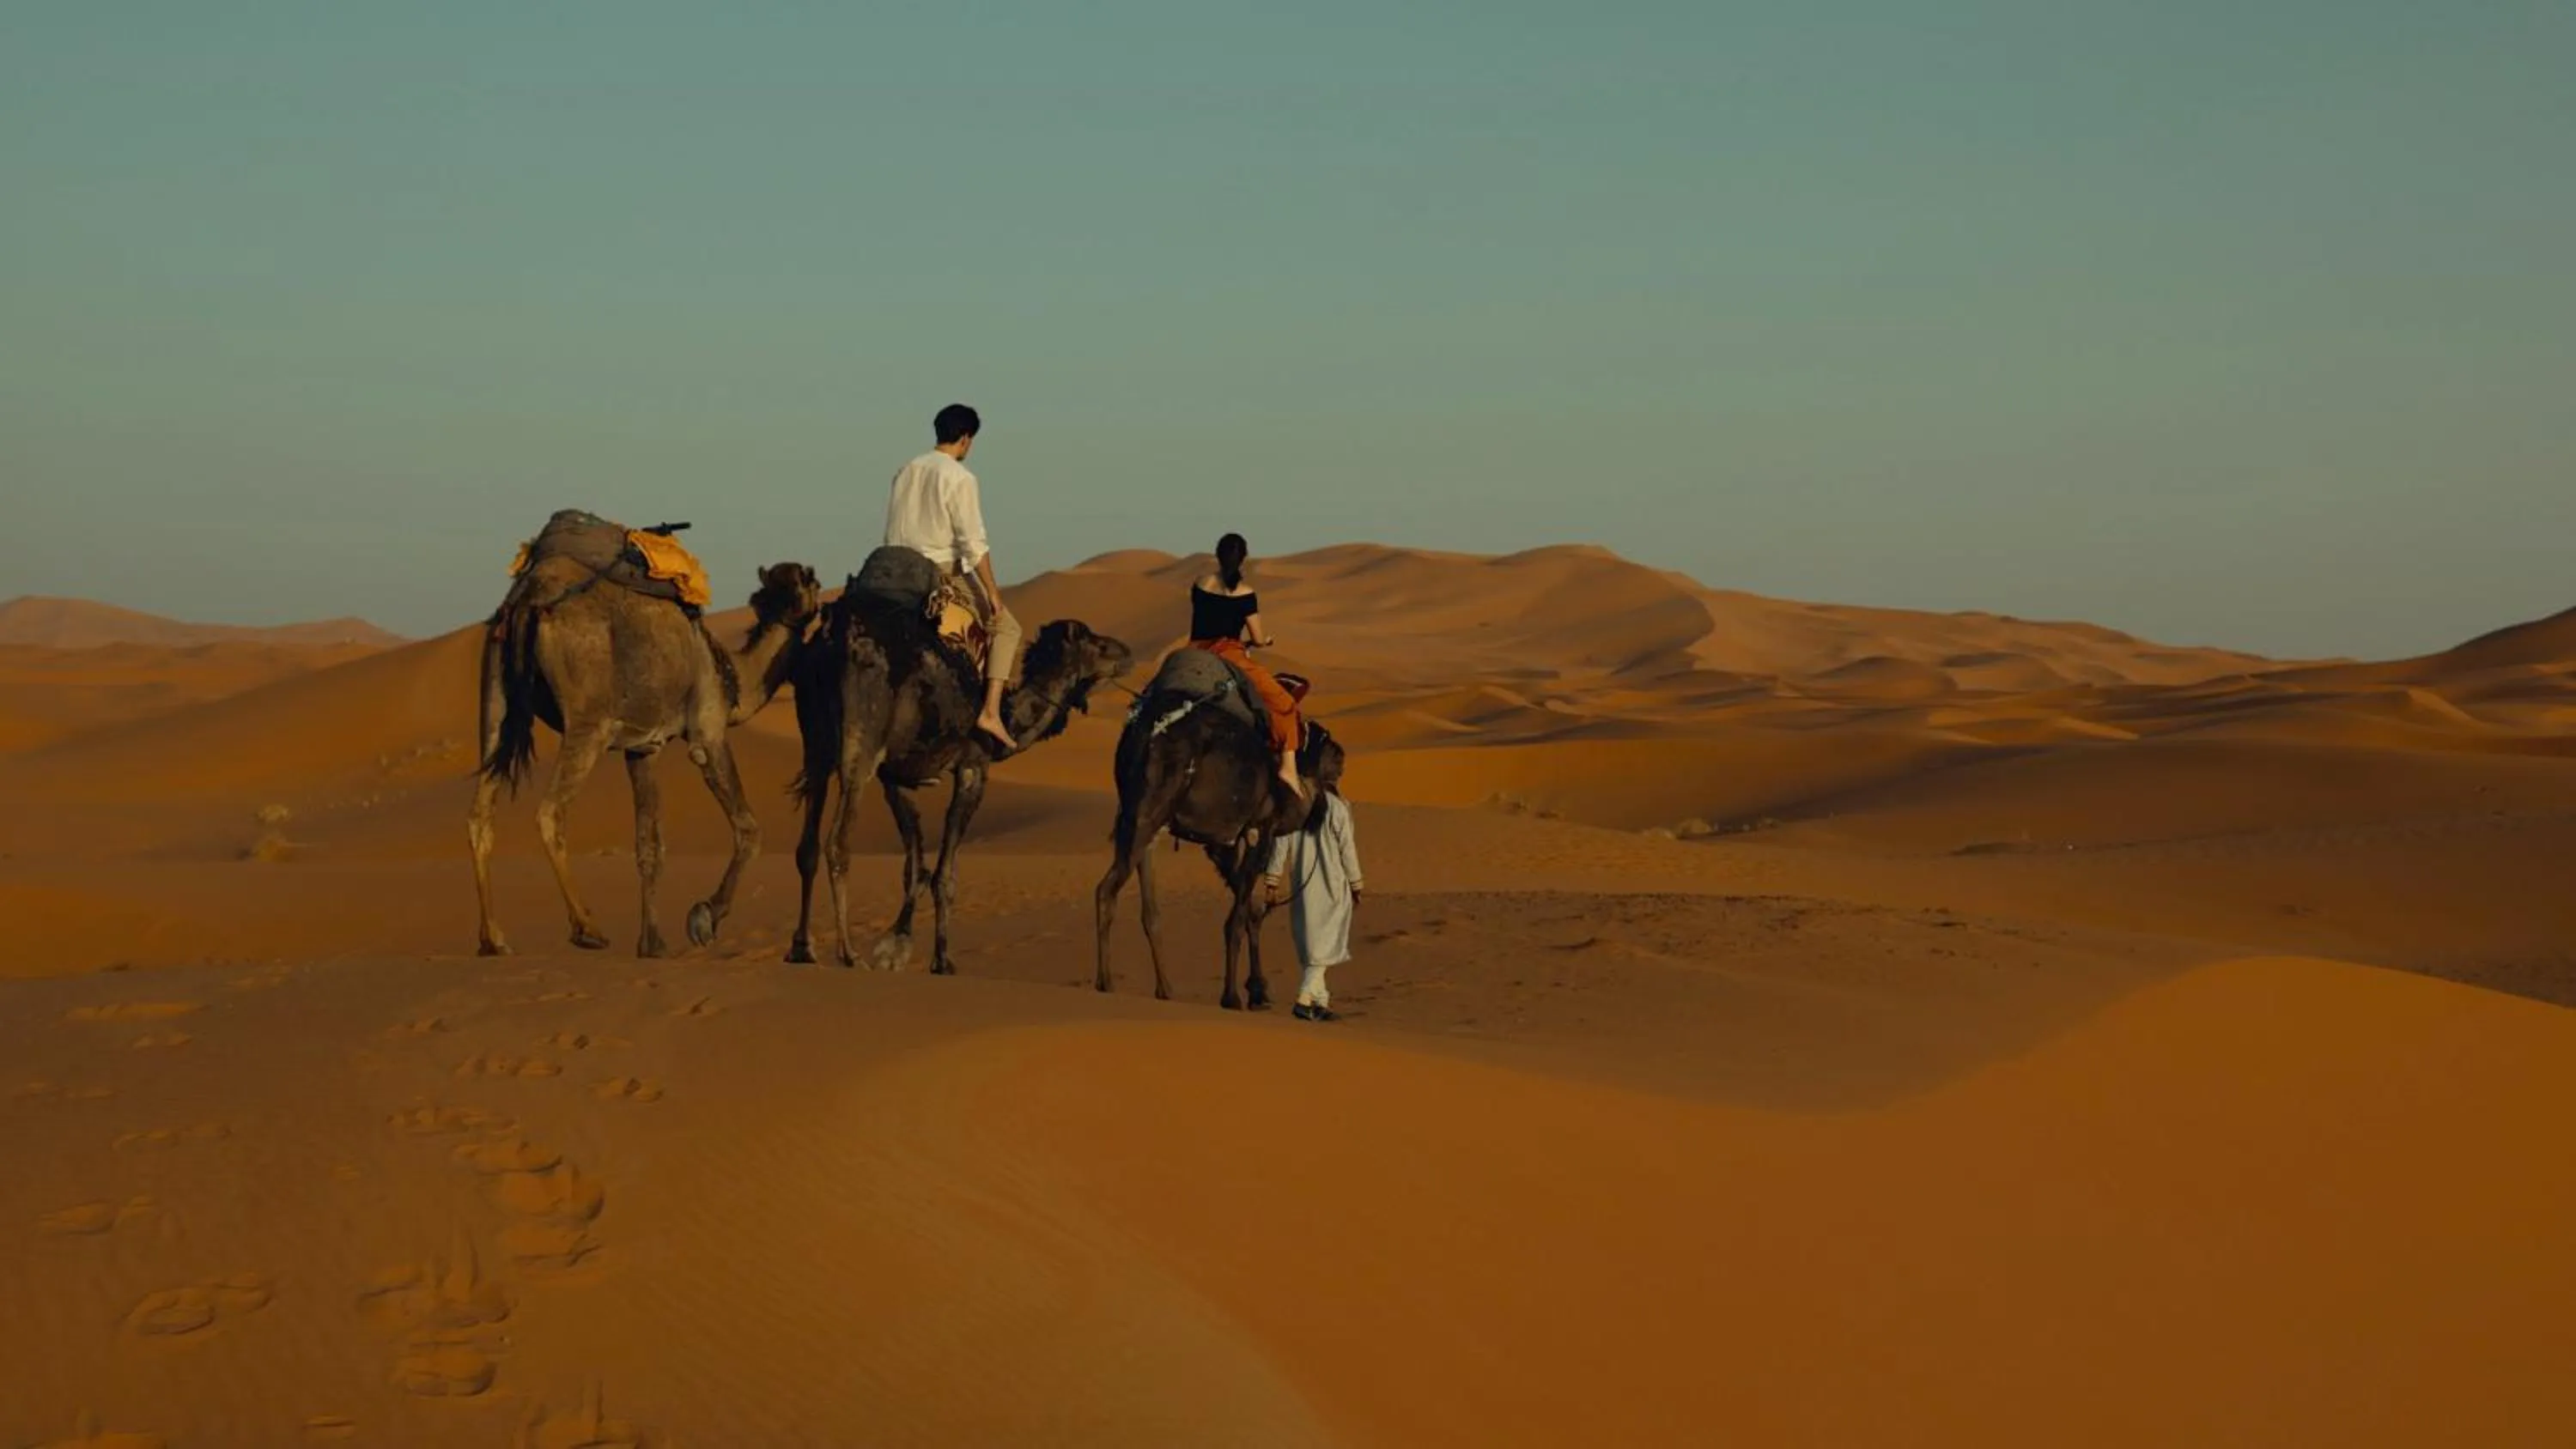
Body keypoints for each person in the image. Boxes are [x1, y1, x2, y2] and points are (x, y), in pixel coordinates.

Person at [884, 403, 1021, 752]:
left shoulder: (906, 469)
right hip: (938, 572)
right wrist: (993, 593)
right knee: (1007, 628)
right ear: (965, 439)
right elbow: (973, 544)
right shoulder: (959, 477)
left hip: (891, 568)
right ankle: (990, 711)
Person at [1187, 533, 1303, 795]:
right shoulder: (1245, 594)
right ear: (1243, 560)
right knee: (1284, 703)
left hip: (1194, 651)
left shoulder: (1200, 584)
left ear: (1217, 555)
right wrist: (1264, 642)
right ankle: (1289, 768)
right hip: (1228, 653)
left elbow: (1203, 621)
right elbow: (1257, 637)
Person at [1264, 777, 1363, 1022]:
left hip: (1303, 887)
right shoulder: (1338, 807)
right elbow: (1347, 847)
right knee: (1323, 947)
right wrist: (1356, 882)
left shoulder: (1296, 806)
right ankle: (1304, 998)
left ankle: (1320, 1002)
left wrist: (1273, 877)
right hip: (1332, 886)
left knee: (1315, 946)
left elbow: (1281, 841)